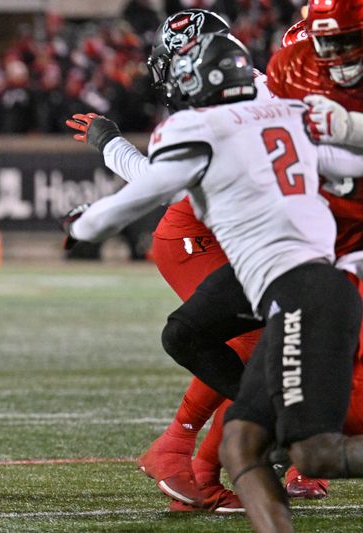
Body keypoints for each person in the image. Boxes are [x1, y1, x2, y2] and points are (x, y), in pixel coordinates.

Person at [63, 33, 363, 533]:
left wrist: (83, 222)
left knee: (300, 444)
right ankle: (233, 438)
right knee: (196, 345)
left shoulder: (222, 118)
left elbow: (150, 185)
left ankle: (228, 446)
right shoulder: (291, 110)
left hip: (296, 275)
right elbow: (340, 163)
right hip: (269, 268)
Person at [70, 9, 259, 513]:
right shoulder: (246, 99)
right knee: (258, 353)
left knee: (262, 350)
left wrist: (109, 145)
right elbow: (162, 182)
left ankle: (184, 456)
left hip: (224, 233)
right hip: (194, 235)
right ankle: (194, 464)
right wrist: (109, 152)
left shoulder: (256, 99)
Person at [266, 0, 363, 496]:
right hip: (313, 226)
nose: (336, 55)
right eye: (327, 43)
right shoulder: (291, 59)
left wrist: (347, 131)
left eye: (348, 41)